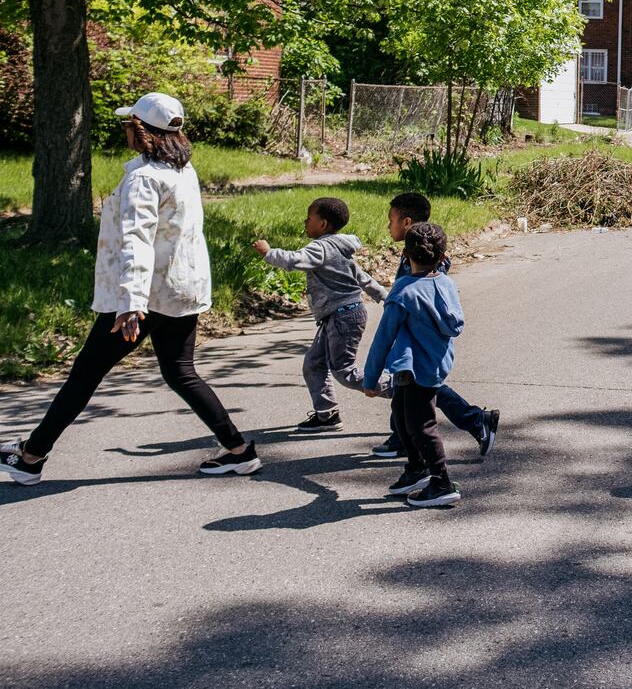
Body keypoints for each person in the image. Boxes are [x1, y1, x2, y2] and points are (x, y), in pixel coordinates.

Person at [1, 93, 261, 486]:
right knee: (180, 372)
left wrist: (130, 303)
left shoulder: (144, 178)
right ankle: (239, 451)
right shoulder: (181, 171)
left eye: (127, 125)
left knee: (85, 375)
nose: (124, 130)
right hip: (179, 290)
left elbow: (137, 240)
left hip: (143, 296)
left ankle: (30, 458)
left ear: (139, 130)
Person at [370, 192, 500, 460]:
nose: (388, 226)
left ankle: (475, 421)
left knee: (422, 391)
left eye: (391, 220)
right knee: (405, 394)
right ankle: (400, 439)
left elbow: (408, 309)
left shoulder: (415, 265)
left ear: (406, 222)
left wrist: (372, 375)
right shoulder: (428, 256)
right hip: (419, 345)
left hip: (416, 345)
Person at [253, 197, 387, 433]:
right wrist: (385, 297)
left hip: (342, 316)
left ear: (323, 224)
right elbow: (361, 276)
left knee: (345, 372)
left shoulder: (321, 247)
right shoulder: (339, 248)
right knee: (314, 363)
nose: (305, 221)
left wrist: (269, 252)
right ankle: (326, 415)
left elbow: (296, 260)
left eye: (309, 217)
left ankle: (405, 390)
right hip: (340, 315)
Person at [363, 223, 465, 507]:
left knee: (422, 426)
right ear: (442, 256)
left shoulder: (403, 293)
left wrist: (370, 380)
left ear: (405, 255)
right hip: (433, 364)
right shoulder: (445, 283)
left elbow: (383, 340)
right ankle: (417, 468)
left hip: (413, 368)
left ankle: (441, 482)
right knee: (401, 415)